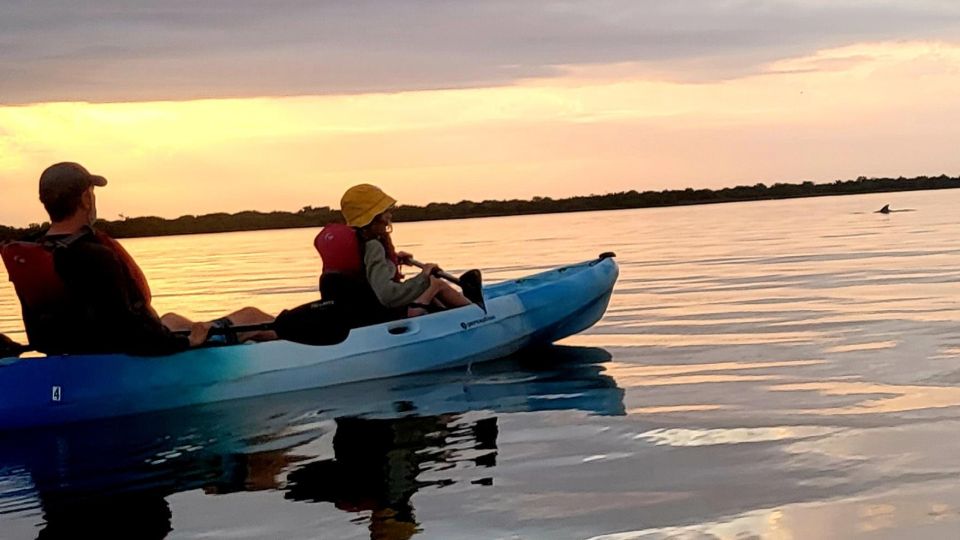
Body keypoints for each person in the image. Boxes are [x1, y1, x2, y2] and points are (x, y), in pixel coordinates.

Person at [0, 162, 276, 356]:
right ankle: (302, 356)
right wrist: (186, 344)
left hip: (74, 352)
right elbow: (130, 334)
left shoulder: (36, 251)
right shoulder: (94, 256)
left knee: (172, 319)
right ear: (86, 198)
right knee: (252, 316)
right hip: (124, 356)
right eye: (92, 194)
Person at [315, 184, 471, 326]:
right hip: (388, 315)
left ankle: (454, 315)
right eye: (385, 211)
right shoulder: (373, 246)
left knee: (432, 292)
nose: (390, 215)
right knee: (435, 282)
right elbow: (388, 296)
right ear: (374, 216)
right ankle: (478, 315)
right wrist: (424, 275)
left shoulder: (357, 243)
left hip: (360, 313)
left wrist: (393, 259)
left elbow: (367, 272)